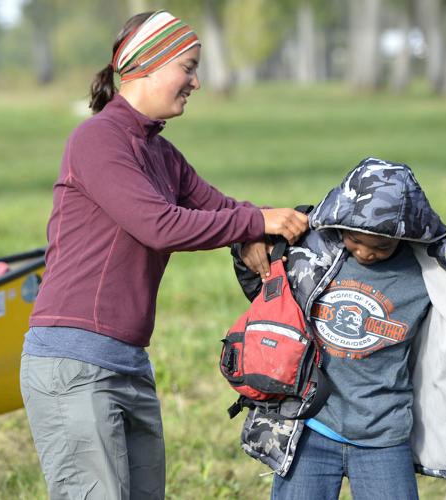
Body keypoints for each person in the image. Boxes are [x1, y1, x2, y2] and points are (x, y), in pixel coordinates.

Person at [19, 10, 308, 500]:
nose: (196, 81)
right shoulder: (98, 139)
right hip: (74, 365)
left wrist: (267, 223)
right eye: (188, 67)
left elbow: (221, 209)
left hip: (129, 363)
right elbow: (159, 225)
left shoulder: (162, 153)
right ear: (147, 65)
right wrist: (256, 223)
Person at [232, 157, 446, 499]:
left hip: (384, 437)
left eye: (382, 245)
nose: (366, 252)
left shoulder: (425, 273)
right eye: (355, 239)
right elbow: (264, 293)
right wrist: (247, 242)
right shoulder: (316, 255)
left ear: (405, 235)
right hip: (310, 429)